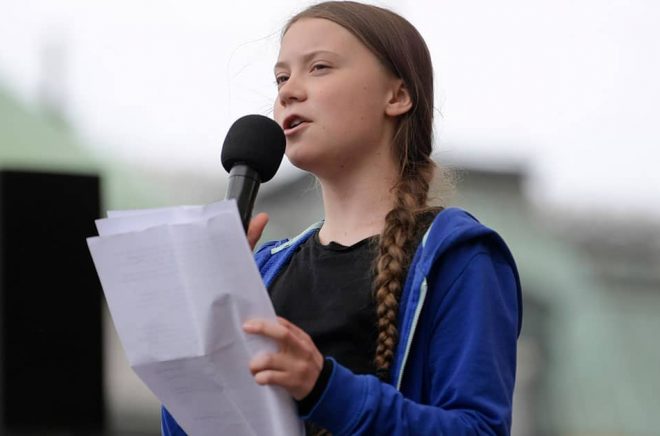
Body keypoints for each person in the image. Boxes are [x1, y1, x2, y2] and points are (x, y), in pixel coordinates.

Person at [162, 1, 522, 434]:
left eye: (319, 67)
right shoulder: (266, 269)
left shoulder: (459, 258)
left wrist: (324, 389)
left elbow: (478, 429)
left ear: (397, 95)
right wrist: (202, 325)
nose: (288, 92)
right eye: (281, 77)